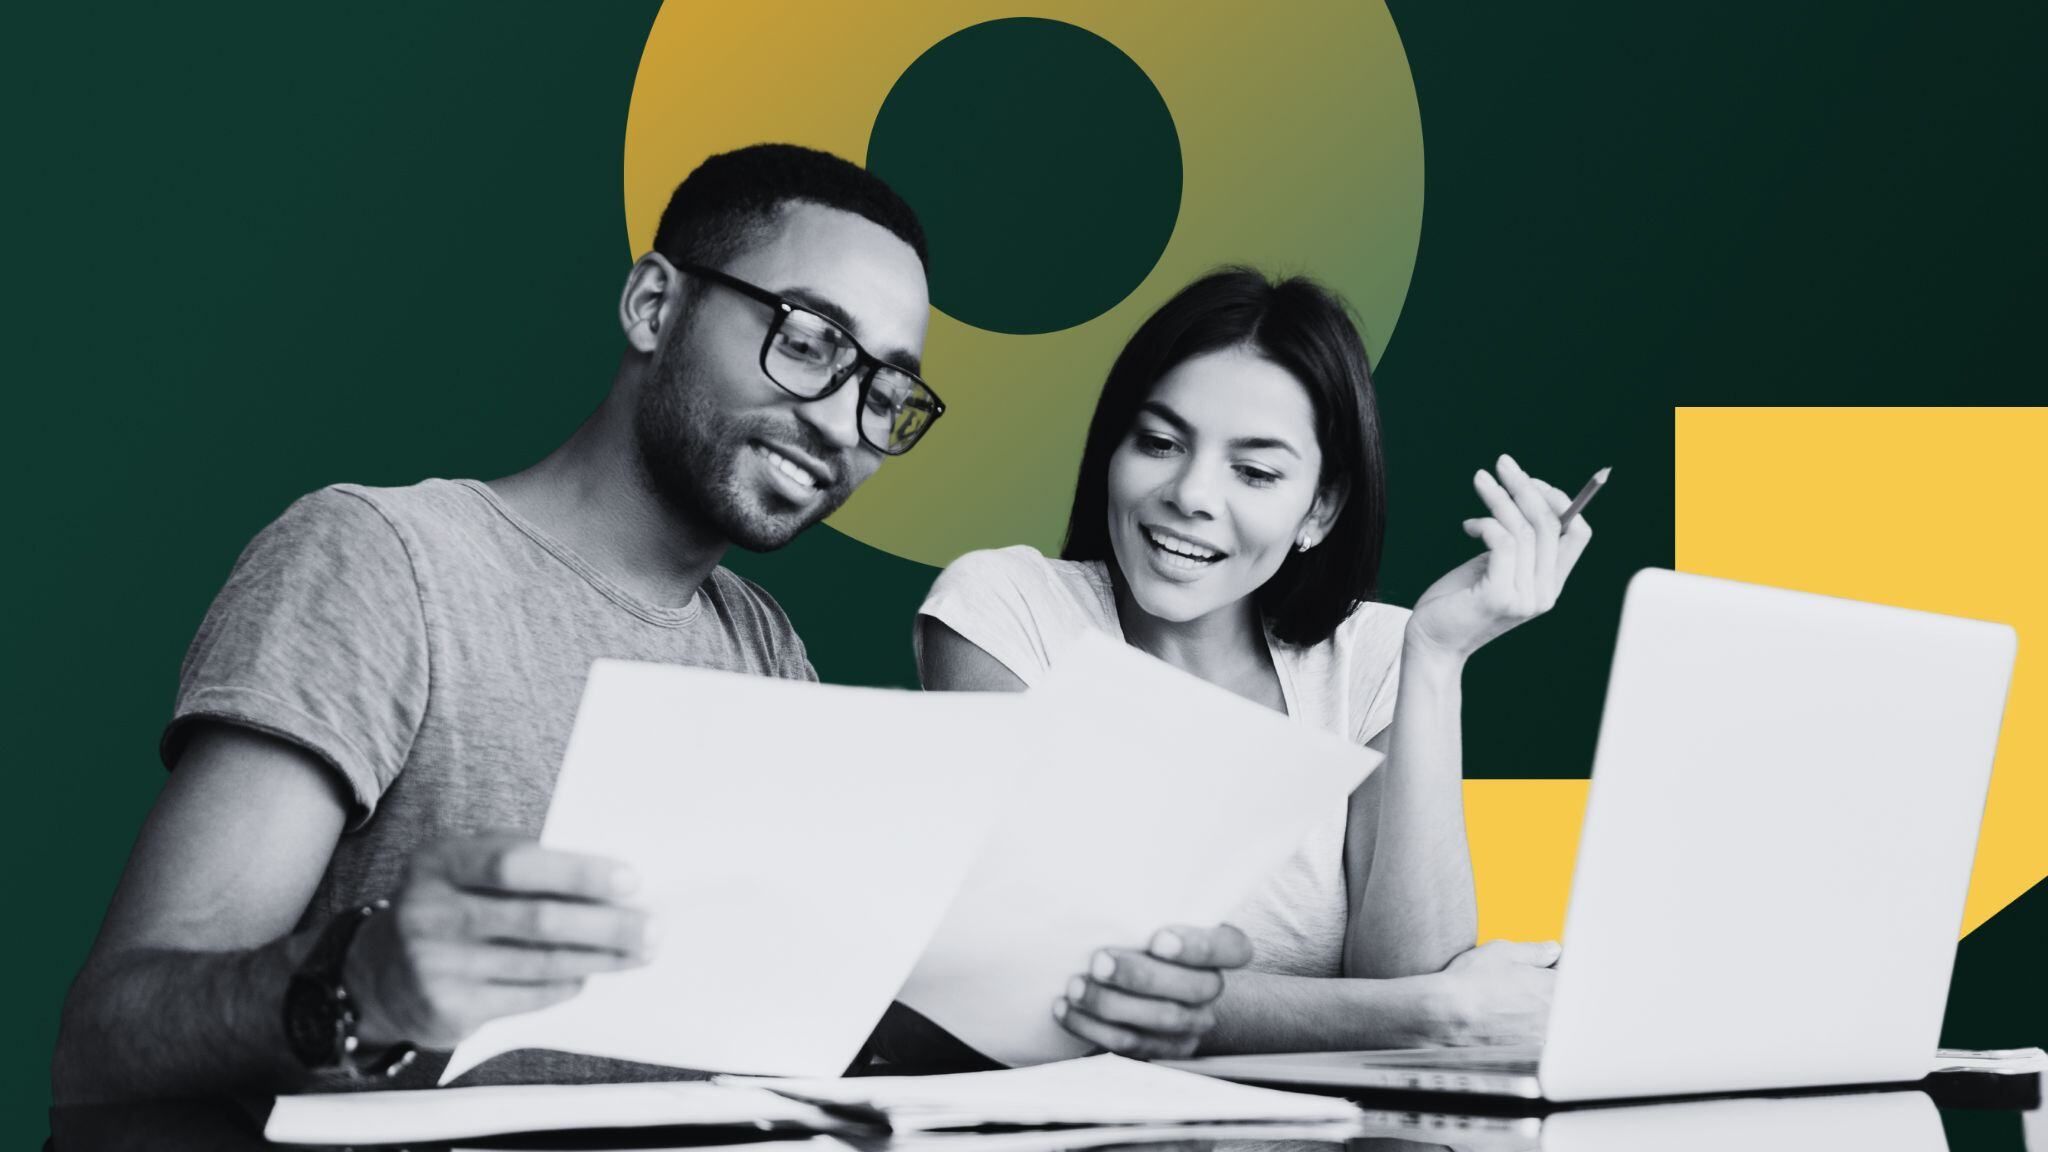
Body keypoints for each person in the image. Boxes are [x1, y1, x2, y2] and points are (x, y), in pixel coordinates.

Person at [52, 143, 1249, 1102]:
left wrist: (1097, 1004)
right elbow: (106, 1040)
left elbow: (811, 1034)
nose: (842, 421)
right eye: (810, 342)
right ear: (651, 302)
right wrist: (358, 984)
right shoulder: (384, 559)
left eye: (886, 392)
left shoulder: (767, 649)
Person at [918, 268, 1592, 1058]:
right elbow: (1044, 977)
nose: (1192, 494)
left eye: (1256, 471)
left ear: (1321, 508)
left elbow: (1409, 977)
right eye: (1159, 443)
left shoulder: (1372, 656)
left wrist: (1437, 659)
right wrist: (1436, 1013)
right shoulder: (1006, 611)